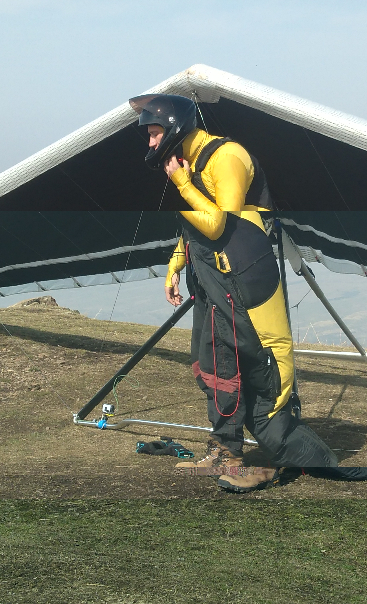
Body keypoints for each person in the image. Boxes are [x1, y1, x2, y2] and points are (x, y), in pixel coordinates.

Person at [131, 93, 341, 492]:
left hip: (243, 279)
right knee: (212, 362)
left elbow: (220, 226)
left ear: (174, 128)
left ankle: (252, 456)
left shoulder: (226, 157)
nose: (151, 143)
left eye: (155, 133)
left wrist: (182, 185)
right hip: (212, 278)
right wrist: (176, 264)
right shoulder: (192, 164)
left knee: (244, 365)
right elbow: (196, 227)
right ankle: (224, 450)